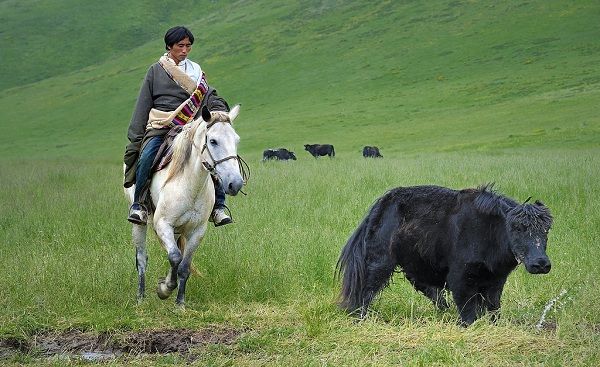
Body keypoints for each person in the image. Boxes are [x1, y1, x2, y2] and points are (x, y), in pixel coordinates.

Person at [123, 26, 232, 226]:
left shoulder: (196, 71)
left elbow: (209, 96)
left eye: (188, 46)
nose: (184, 50)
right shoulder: (155, 71)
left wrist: (219, 108)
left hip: (189, 127)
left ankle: (218, 207)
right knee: (147, 156)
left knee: (209, 156)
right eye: (180, 46)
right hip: (161, 126)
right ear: (169, 46)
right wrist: (136, 137)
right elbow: (143, 105)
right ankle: (139, 205)